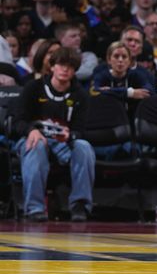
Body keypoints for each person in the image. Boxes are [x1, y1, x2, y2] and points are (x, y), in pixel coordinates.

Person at [13, 47, 95, 222]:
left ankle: (80, 206)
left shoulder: (80, 95)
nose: (65, 70)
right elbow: (17, 121)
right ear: (52, 67)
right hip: (34, 138)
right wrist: (31, 130)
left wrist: (71, 135)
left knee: (84, 147)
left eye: (70, 66)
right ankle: (34, 208)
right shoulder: (33, 88)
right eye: (61, 65)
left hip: (64, 142)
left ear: (75, 70)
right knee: (37, 146)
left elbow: (81, 129)